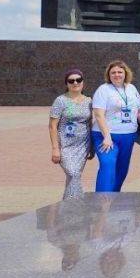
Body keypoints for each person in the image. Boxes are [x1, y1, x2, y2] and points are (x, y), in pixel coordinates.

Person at [90, 60, 140, 192]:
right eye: (113, 72)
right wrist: (107, 137)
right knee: (108, 164)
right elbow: (99, 115)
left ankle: (113, 198)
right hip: (106, 136)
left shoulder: (132, 88)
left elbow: (139, 112)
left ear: (125, 73)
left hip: (128, 136)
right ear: (108, 75)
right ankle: (102, 202)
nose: (117, 75)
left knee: (122, 169)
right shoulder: (103, 90)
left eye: (120, 72)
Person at [49, 69, 93, 199]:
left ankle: (68, 209)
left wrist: (92, 147)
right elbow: (52, 126)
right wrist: (55, 149)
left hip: (83, 145)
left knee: (74, 176)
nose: (75, 83)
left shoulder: (89, 101)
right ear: (66, 84)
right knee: (73, 173)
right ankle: (76, 206)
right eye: (71, 81)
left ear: (83, 82)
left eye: (78, 80)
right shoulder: (60, 101)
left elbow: (90, 124)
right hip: (65, 145)